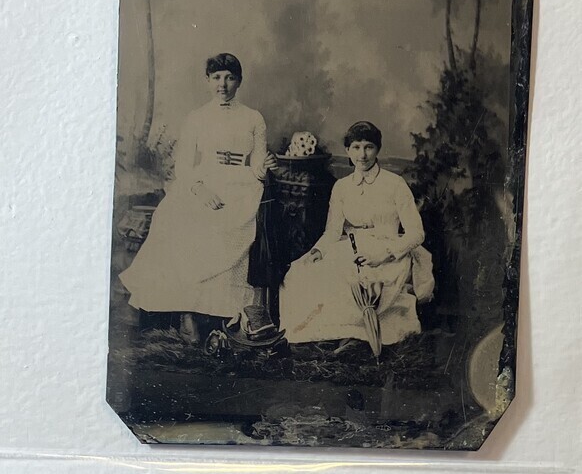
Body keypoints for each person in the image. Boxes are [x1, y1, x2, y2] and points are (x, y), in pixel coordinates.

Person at [119, 53, 279, 343]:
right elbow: (184, 167)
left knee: (221, 225)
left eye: (230, 77)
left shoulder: (254, 118)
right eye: (216, 77)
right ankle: (187, 313)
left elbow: (255, 168)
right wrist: (201, 190)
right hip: (202, 182)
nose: (223, 84)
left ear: (239, 81)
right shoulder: (197, 118)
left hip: (241, 185)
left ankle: (220, 313)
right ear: (207, 81)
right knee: (172, 218)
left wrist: (264, 167)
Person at [279, 121, 434, 348]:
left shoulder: (395, 184)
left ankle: (355, 337)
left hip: (389, 251)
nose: (362, 155)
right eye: (356, 147)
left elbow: (416, 233)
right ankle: (329, 335)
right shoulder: (342, 187)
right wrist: (317, 250)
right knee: (304, 271)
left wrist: (386, 254)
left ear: (377, 149)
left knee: (356, 279)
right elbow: (332, 231)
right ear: (348, 151)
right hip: (350, 246)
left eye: (369, 147)